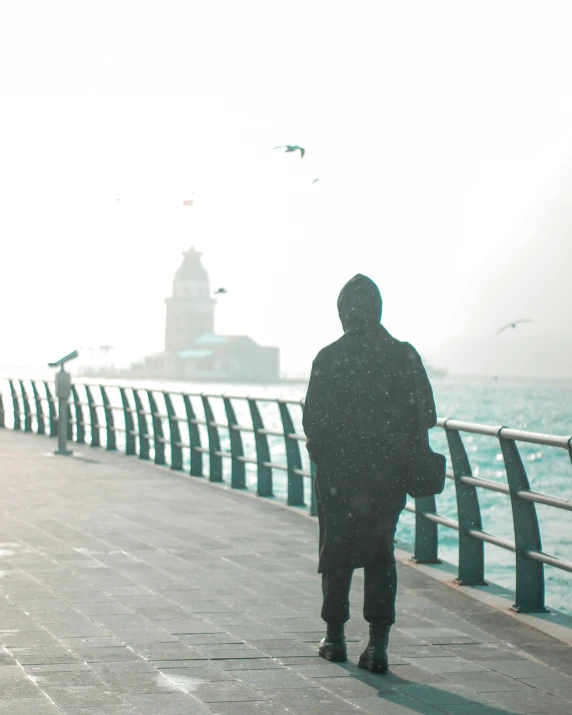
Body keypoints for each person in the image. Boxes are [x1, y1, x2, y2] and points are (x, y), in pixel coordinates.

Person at [302, 273, 436, 673]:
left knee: (336, 550)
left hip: (340, 477)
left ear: (343, 312)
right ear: (378, 309)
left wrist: (330, 461)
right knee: (381, 553)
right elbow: (425, 414)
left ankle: (336, 637)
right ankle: (378, 645)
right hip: (388, 475)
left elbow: (314, 423)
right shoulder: (404, 355)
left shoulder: (328, 358)